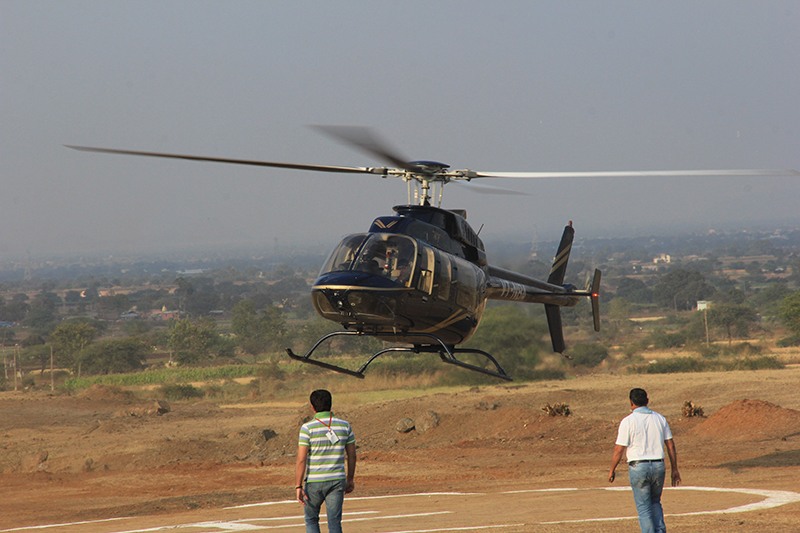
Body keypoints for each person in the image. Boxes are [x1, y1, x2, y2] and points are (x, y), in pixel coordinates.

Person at [608, 388, 681, 533]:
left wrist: (612, 469)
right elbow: (670, 445)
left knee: (643, 507)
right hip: (658, 465)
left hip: (639, 467)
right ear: (647, 401)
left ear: (631, 403)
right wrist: (674, 468)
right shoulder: (660, 418)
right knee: (655, 502)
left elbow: (619, 449)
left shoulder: (628, 422)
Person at [295, 389, 357, 533]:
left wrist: (298, 485)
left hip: (314, 482)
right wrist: (350, 478)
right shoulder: (345, 426)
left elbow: (301, 459)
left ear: (312, 406)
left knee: (311, 519)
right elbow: (352, 455)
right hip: (337, 480)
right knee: (335, 522)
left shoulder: (307, 428)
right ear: (331, 404)